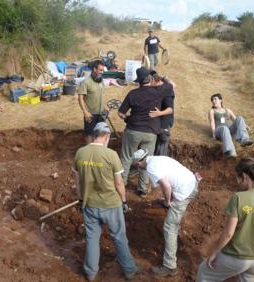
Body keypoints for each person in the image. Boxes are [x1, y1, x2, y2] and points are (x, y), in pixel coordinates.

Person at [72, 122, 141, 281]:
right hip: (111, 205)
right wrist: (124, 201)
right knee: (118, 236)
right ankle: (129, 270)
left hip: (89, 204)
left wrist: (80, 199)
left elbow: (78, 181)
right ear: (106, 136)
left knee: (91, 238)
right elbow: (119, 183)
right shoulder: (111, 155)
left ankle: (90, 272)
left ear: (94, 135)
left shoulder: (80, 153)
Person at [197, 158, 254, 282]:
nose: (237, 181)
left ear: (245, 176)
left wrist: (215, 252)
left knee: (204, 273)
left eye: (238, 177)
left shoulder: (238, 198)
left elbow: (229, 233)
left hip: (236, 257)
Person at [133, 149, 198, 277]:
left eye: (137, 165)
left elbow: (166, 186)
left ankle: (170, 266)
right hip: (192, 182)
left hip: (185, 192)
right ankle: (169, 201)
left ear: (140, 163)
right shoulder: (158, 158)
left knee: (170, 227)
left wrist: (168, 202)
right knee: (169, 194)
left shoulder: (151, 168)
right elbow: (168, 181)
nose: (138, 168)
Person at [118, 67, 170, 197]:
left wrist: (128, 118)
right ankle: (142, 189)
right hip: (151, 132)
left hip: (133, 130)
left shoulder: (133, 94)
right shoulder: (157, 92)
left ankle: (121, 184)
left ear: (139, 81)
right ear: (150, 79)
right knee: (147, 160)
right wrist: (160, 78)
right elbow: (170, 84)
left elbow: (120, 113)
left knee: (126, 157)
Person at [208, 93, 253, 158]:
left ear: (220, 100)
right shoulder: (212, 111)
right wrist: (213, 133)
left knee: (239, 118)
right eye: (212, 100)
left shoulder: (228, 110)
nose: (213, 101)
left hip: (229, 131)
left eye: (215, 99)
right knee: (224, 128)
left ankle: (244, 139)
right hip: (219, 131)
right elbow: (212, 122)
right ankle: (229, 151)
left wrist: (245, 125)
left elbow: (236, 120)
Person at [77, 60, 107, 144]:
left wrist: (104, 107)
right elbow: (80, 98)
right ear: (94, 69)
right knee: (89, 134)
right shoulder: (86, 82)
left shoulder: (101, 81)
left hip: (101, 114)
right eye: (100, 70)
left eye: (102, 70)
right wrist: (85, 112)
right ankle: (89, 151)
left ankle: (98, 152)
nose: (102, 72)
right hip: (90, 114)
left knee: (100, 133)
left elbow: (100, 95)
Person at [149, 71, 175, 156]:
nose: (148, 84)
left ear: (153, 80)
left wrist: (159, 113)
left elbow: (170, 109)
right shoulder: (156, 88)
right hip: (156, 123)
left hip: (164, 123)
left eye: (149, 81)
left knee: (161, 151)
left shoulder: (167, 90)